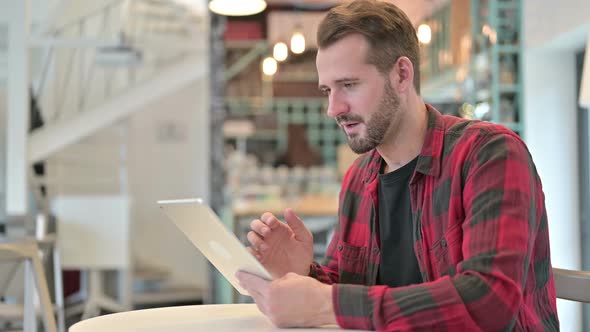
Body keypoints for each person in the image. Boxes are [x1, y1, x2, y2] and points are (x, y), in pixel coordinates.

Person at [236, 0, 559, 330]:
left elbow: (489, 302)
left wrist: (326, 304)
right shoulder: (358, 179)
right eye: (327, 91)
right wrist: (305, 273)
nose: (333, 108)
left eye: (349, 85)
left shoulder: (488, 154)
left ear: (402, 74)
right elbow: (350, 290)